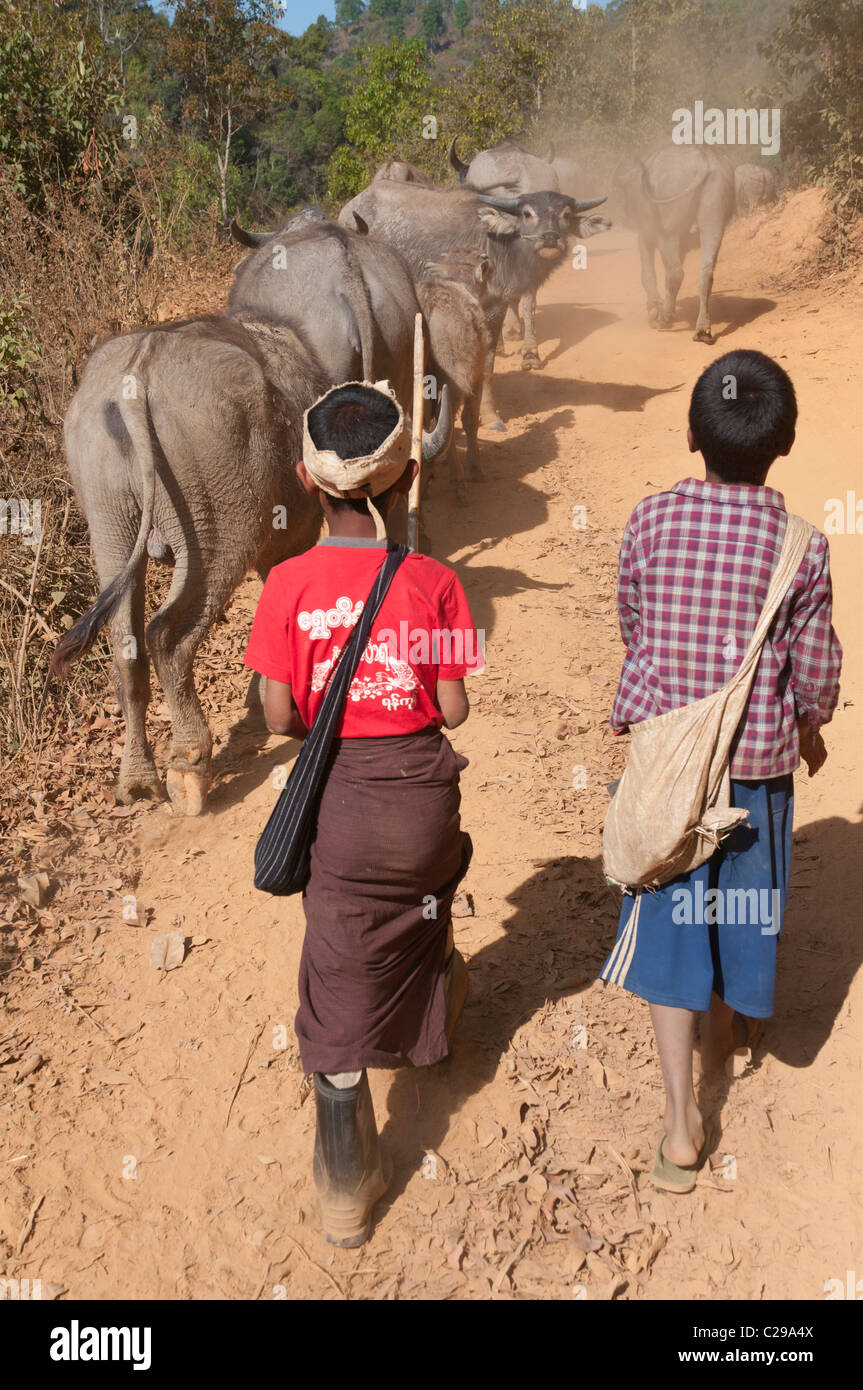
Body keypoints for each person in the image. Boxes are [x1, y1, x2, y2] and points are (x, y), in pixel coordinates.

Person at [244, 380, 482, 1245]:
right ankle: (441, 1003)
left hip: (341, 808)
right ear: (408, 475)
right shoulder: (439, 583)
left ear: (307, 483)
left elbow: (277, 718)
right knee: (425, 894)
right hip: (422, 803)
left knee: (335, 971)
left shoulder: (284, 584)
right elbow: (453, 712)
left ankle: (346, 1183)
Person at [600, 348, 842, 1193]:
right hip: (755, 770)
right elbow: (812, 671)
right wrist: (808, 726)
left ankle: (678, 1123)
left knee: (671, 928)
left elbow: (633, 624)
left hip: (668, 767)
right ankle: (730, 1028)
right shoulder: (801, 548)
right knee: (745, 908)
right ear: (784, 444)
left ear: (691, 434)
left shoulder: (648, 521)